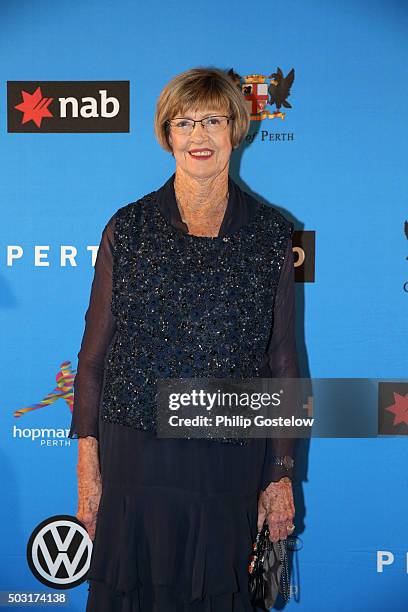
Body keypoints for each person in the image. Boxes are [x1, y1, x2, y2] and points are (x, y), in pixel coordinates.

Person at [69, 66, 298, 612]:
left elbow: (283, 360)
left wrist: (281, 474)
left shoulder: (270, 232)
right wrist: (87, 464)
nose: (198, 135)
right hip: (135, 457)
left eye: (212, 120)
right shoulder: (127, 226)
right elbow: (94, 359)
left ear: (235, 129)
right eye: (184, 122)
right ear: (167, 134)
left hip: (228, 462)